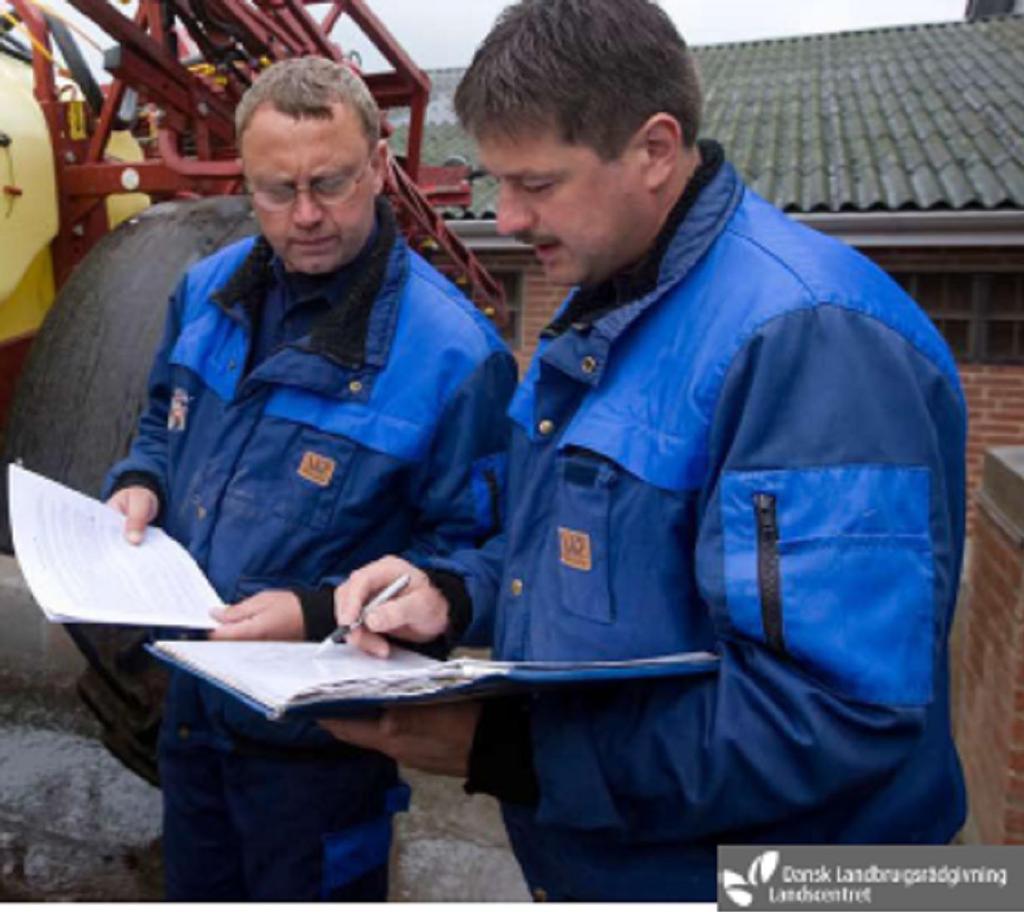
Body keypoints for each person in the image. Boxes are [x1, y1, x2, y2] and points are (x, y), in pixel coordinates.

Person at [321, 0, 968, 902]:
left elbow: (836, 715)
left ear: (656, 150)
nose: (504, 219)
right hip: (616, 866)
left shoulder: (809, 340)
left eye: (537, 185)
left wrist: (506, 748)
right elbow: (580, 548)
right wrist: (452, 591)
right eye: (496, 182)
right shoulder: (614, 300)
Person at [104, 56, 517, 901]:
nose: (305, 216)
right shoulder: (204, 292)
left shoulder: (455, 357)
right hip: (187, 710)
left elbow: (477, 561)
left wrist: (319, 611)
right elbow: (159, 419)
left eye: (329, 183)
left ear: (377, 168)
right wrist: (140, 477)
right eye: (274, 190)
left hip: (321, 755)